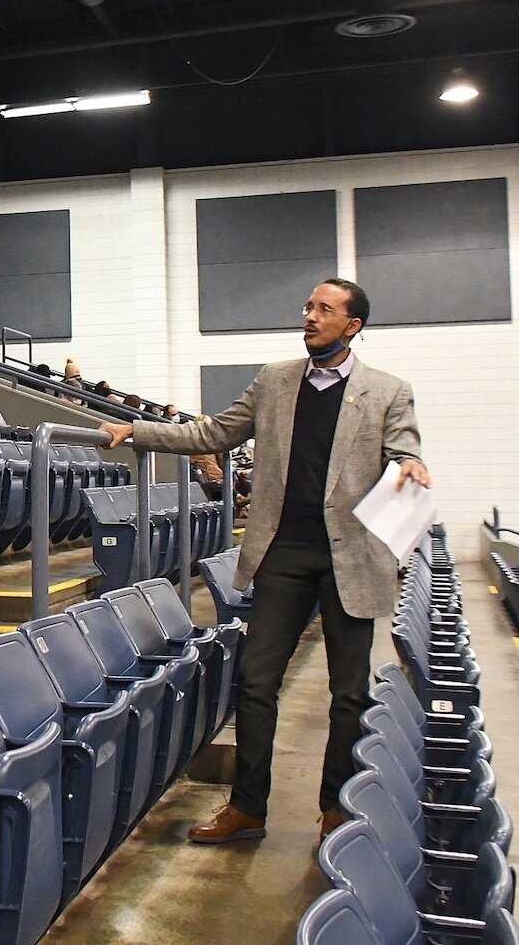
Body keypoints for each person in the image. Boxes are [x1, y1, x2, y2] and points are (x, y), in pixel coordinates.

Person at [99, 278, 430, 845]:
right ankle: (248, 808)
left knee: (348, 691)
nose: (310, 316)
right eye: (307, 307)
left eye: (324, 310)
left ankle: (335, 808)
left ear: (352, 325)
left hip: (351, 556)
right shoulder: (275, 381)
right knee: (255, 683)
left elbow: (403, 447)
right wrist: (139, 432)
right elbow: (216, 431)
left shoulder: (387, 391)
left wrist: (412, 465)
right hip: (282, 551)